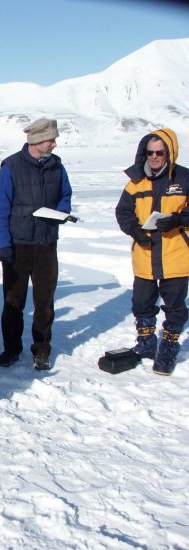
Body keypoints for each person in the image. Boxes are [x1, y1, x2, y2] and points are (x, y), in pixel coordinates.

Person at [0, 118, 73, 371]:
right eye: (51, 140)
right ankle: (11, 349)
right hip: (18, 245)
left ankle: (42, 350)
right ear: (38, 141)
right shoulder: (11, 167)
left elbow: (66, 195)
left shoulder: (57, 167)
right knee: (14, 302)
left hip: (47, 244)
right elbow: (0, 208)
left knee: (44, 301)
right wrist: (4, 245)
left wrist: (61, 211)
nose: (55, 144)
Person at [115, 128, 189, 375]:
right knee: (142, 303)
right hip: (145, 255)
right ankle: (146, 343)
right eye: (150, 152)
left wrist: (179, 219)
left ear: (170, 152)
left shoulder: (185, 179)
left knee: (175, 305)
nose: (155, 157)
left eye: (160, 152)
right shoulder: (136, 182)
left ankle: (168, 348)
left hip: (176, 255)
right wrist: (134, 230)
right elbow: (123, 212)